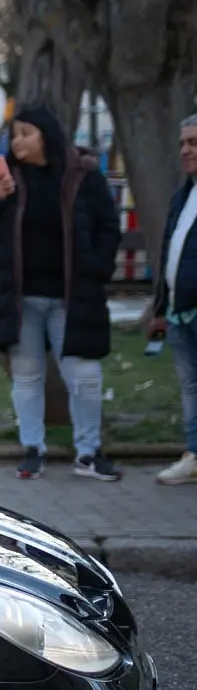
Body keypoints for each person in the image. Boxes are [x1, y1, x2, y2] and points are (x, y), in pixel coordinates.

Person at [0, 104, 123, 481]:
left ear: (46, 136)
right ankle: (33, 448)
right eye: (15, 134)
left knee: (84, 375)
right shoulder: (6, 178)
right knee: (28, 375)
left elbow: (107, 226)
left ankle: (88, 452)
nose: (18, 141)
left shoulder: (82, 176)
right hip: (22, 301)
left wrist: (99, 267)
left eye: (25, 133)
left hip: (72, 297)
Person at [148, 114, 197, 484]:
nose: (185, 149)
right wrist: (162, 308)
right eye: (183, 142)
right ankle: (194, 455)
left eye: (193, 142)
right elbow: (171, 253)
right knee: (190, 387)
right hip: (181, 313)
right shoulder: (184, 196)